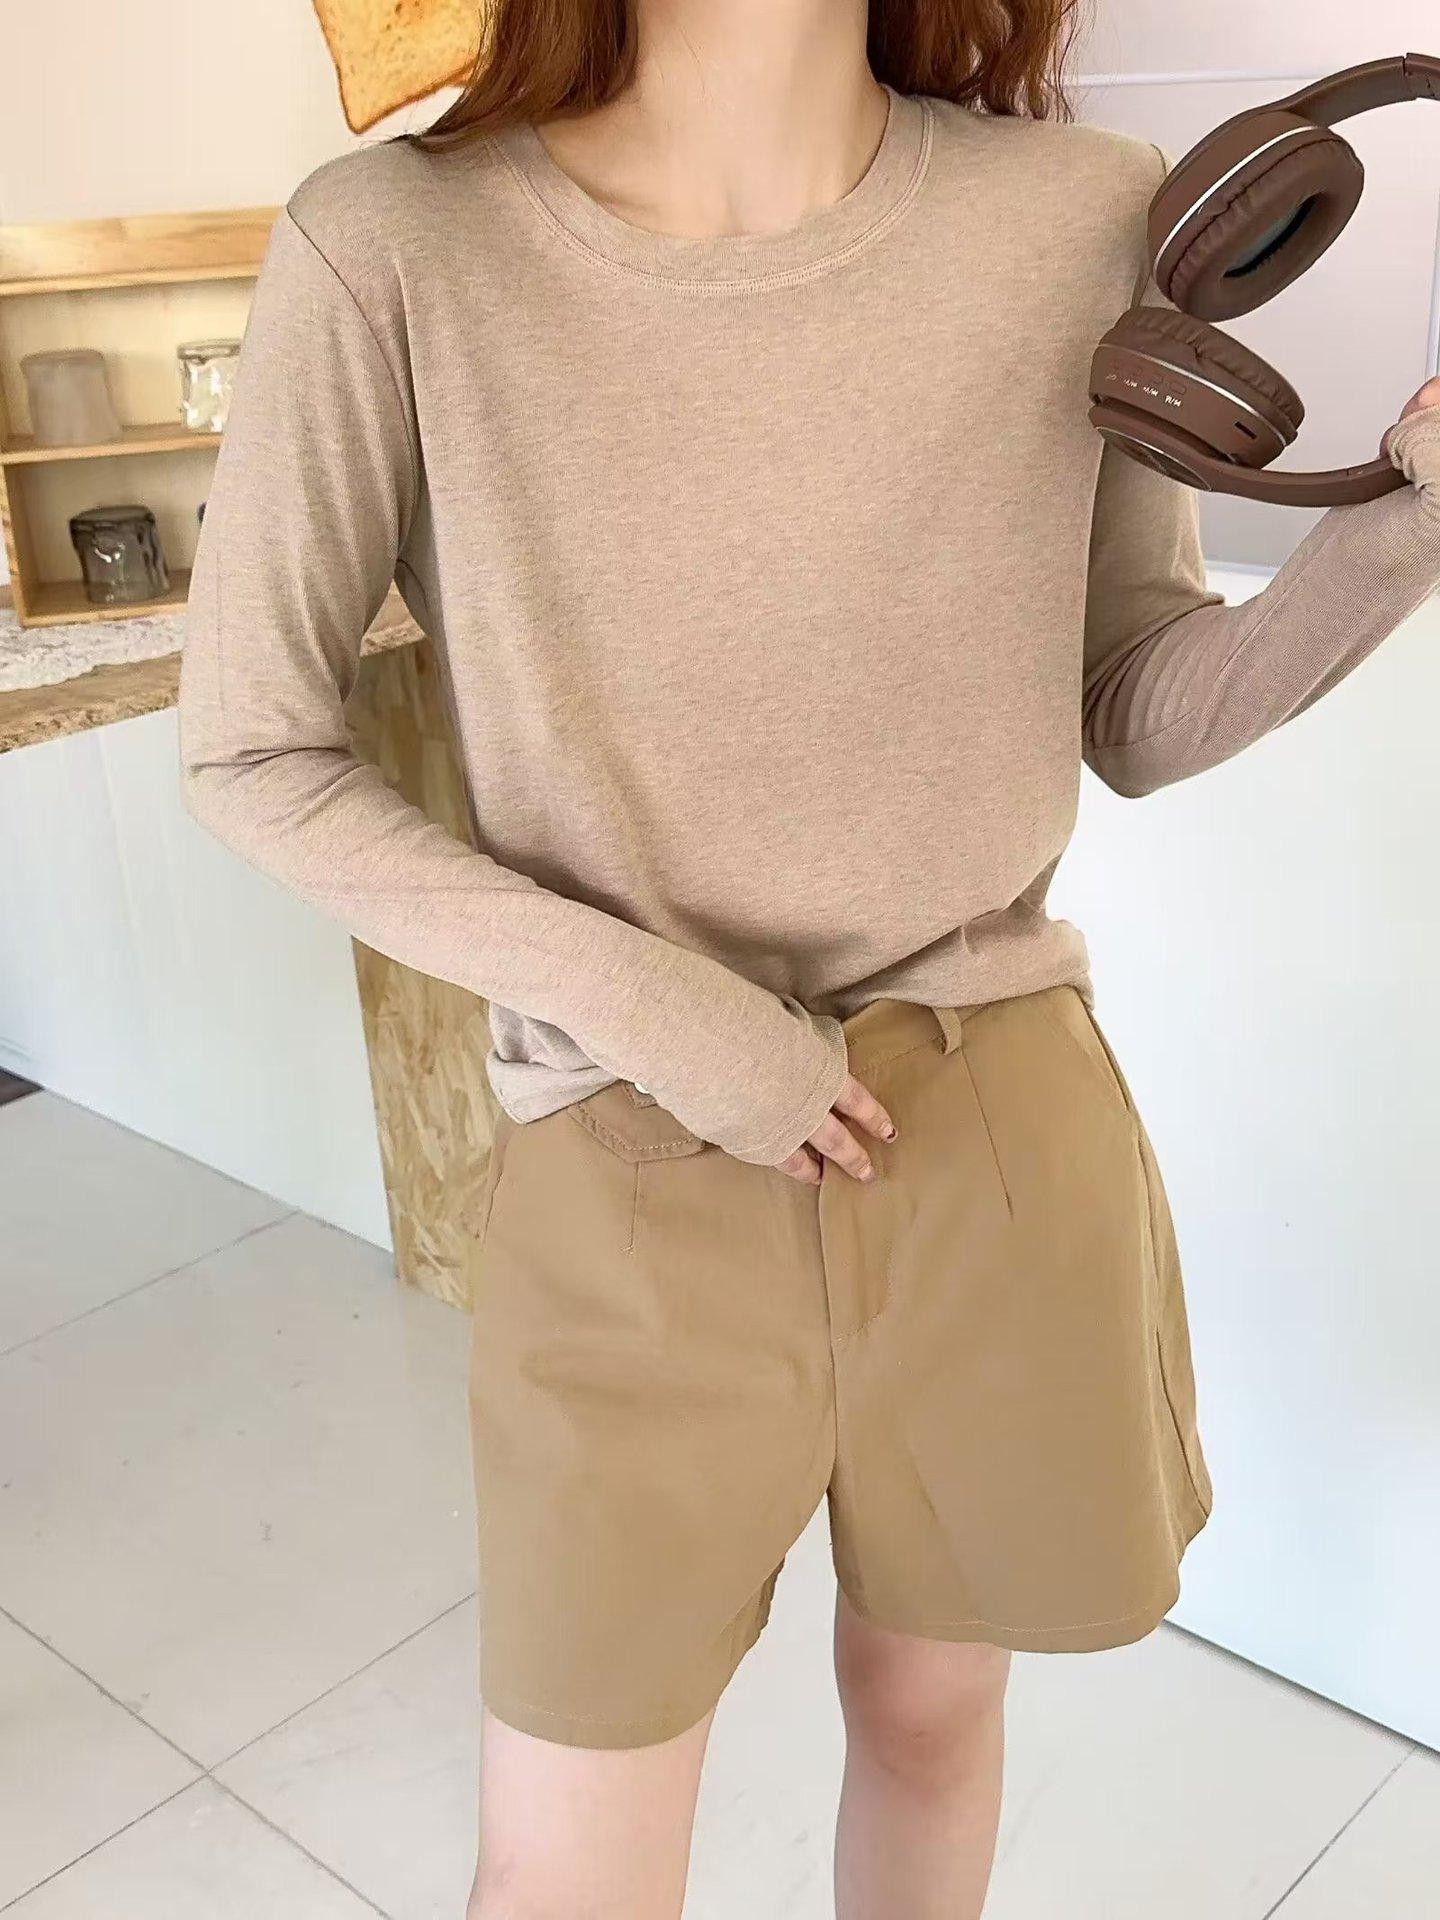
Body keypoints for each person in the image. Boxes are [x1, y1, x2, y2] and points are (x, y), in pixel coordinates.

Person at [176, 2, 1440, 1914]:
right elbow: (252, 750)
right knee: (567, 1866)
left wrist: (1401, 539)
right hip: (627, 1146)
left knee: (932, 1724)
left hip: (996, 1134)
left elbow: (1130, 700)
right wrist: (663, 1008)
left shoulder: (1082, 215)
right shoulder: (394, 244)